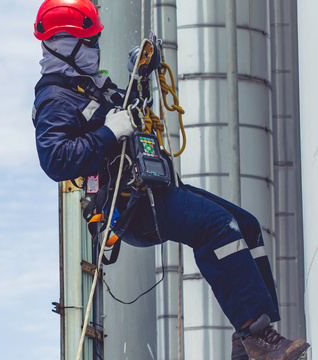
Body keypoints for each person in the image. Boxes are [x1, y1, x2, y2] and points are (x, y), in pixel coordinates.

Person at [31, 0, 311, 359]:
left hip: (153, 186)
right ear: (63, 43)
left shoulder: (89, 86)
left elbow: (130, 110)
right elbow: (55, 160)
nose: (95, 49)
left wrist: (140, 75)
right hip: (130, 204)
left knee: (246, 225)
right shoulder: (55, 97)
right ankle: (256, 337)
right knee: (218, 227)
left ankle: (252, 341)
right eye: (89, 42)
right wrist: (107, 133)